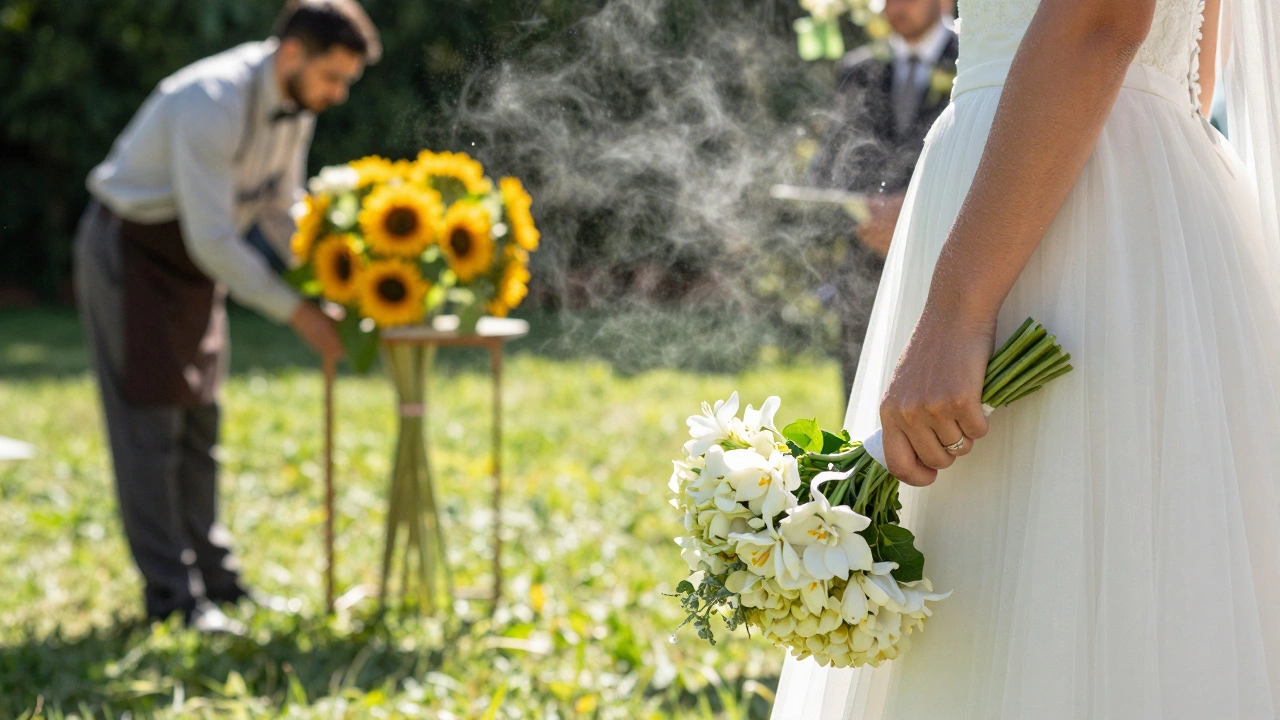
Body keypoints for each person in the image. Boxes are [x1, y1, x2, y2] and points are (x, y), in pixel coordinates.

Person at [772, 0, 1280, 717]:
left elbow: (1099, 22)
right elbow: (1190, 63)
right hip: (1116, 186)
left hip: (1046, 202)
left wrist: (957, 311)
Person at [74, 0, 379, 631]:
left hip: (193, 262)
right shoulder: (209, 102)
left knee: (201, 421)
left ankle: (219, 583)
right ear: (293, 53)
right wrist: (300, 315)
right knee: (150, 430)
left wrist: (336, 282)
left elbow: (279, 208)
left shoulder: (296, 104)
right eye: (334, 77)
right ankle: (174, 600)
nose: (340, 94)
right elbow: (214, 238)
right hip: (133, 251)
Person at [808, 0, 959, 400]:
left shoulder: (974, 61)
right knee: (859, 402)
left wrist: (913, 216)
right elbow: (828, 167)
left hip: (942, 267)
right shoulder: (857, 70)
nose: (896, 5)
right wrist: (863, 214)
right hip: (864, 272)